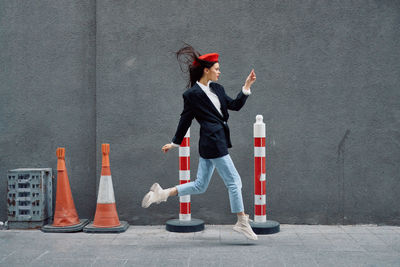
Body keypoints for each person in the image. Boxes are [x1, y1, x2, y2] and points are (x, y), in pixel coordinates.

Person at [142, 45, 258, 240]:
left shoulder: (218, 89)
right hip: (213, 142)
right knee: (234, 182)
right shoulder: (192, 95)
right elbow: (185, 118)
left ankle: (161, 194)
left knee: (200, 185)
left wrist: (246, 86)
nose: (219, 72)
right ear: (206, 70)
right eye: (217, 69)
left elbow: (234, 105)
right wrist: (175, 143)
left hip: (213, 142)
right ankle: (241, 221)